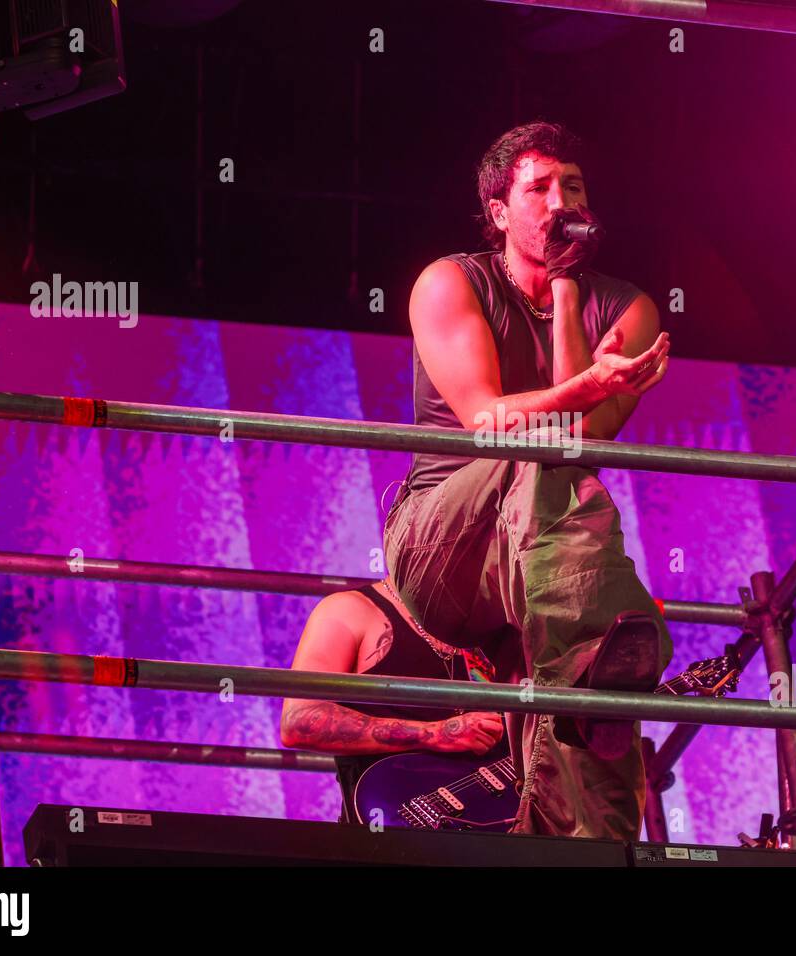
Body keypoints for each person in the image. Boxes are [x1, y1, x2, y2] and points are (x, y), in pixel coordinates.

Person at [383, 120, 673, 840]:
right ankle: (597, 657)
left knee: (594, 737)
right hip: (442, 544)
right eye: (537, 187)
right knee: (539, 455)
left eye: (571, 186)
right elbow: (487, 419)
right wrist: (583, 393)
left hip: (540, 567)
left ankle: (584, 833)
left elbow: (586, 439)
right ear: (499, 211)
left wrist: (568, 286)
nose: (556, 201)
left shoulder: (629, 307)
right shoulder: (451, 282)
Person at [279, 575, 511, 823]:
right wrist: (438, 733)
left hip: (496, 828)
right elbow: (300, 722)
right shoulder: (351, 610)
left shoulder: (492, 627)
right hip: (392, 827)